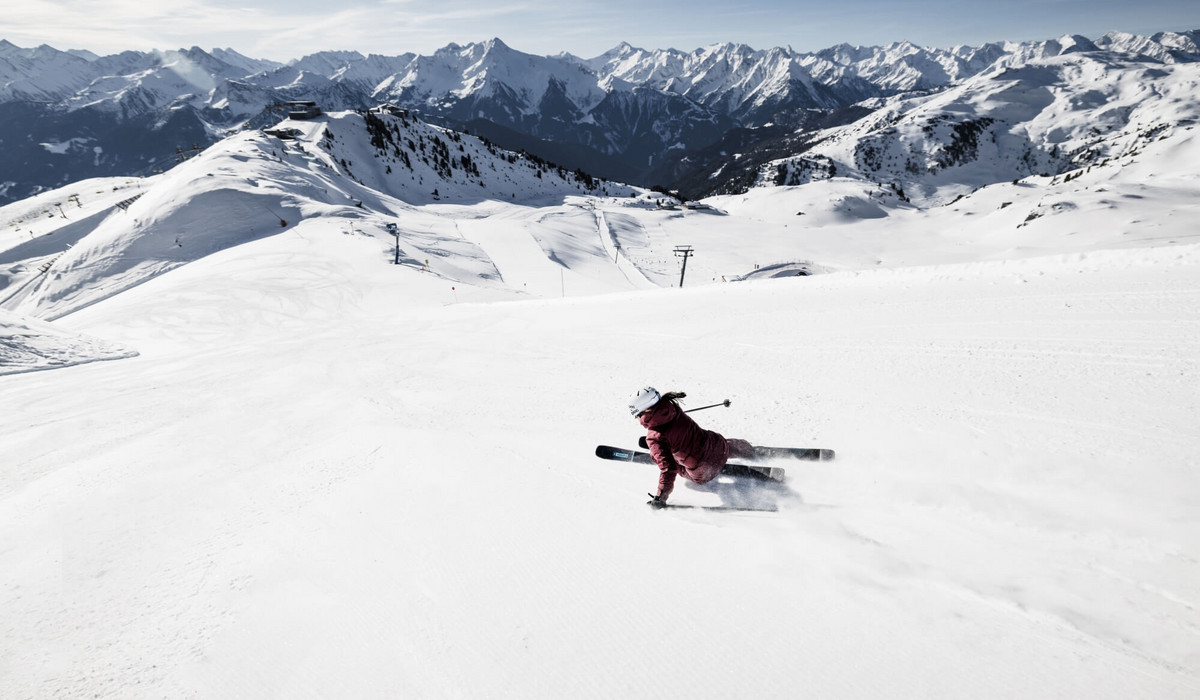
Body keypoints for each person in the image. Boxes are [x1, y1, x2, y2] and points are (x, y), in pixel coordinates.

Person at [629, 386, 754, 507]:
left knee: (667, 459)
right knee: (722, 443)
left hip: (704, 471)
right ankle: (749, 450)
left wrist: (660, 497)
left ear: (645, 410)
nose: (637, 418)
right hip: (718, 447)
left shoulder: (654, 438)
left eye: (637, 414)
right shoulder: (673, 407)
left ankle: (661, 452)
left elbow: (669, 469)